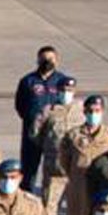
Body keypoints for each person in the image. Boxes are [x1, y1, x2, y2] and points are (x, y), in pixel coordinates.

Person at [31, 75, 78, 215]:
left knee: (76, 210)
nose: (67, 93)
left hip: (75, 170)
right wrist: (50, 148)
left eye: (70, 90)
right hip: (54, 169)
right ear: (57, 91)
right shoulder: (48, 110)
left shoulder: (81, 111)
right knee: (49, 209)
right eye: (64, 90)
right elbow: (36, 134)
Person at [58, 93, 108, 215]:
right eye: (89, 111)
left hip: (101, 187)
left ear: (103, 112)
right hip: (79, 185)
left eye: (97, 111)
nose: (93, 114)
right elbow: (64, 160)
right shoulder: (73, 135)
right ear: (84, 112)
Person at [14, 45, 70, 191]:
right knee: (28, 169)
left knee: (53, 170)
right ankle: (27, 197)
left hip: (53, 134)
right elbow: (20, 105)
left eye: (50, 59)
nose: (47, 62)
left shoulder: (62, 81)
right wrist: (32, 119)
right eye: (44, 59)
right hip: (32, 133)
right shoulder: (28, 81)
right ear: (38, 60)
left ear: (56, 60)